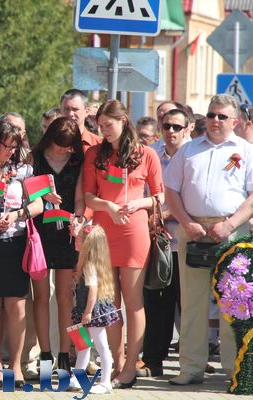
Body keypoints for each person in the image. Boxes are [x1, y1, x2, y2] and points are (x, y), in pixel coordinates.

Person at [164, 94, 253, 385]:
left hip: (232, 232)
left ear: (235, 121)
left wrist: (229, 224)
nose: (215, 120)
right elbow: (171, 190)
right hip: (193, 231)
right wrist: (186, 222)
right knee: (192, 303)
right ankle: (191, 368)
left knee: (232, 302)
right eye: (211, 114)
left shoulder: (246, 151)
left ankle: (234, 369)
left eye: (222, 116)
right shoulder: (188, 150)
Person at [82, 99, 164, 389]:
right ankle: (115, 365)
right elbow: (89, 196)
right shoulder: (95, 153)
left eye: (108, 125)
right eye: (100, 126)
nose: (104, 131)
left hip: (134, 232)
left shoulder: (147, 154)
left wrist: (138, 203)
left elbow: (159, 196)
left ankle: (130, 366)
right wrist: (108, 205)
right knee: (108, 303)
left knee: (133, 301)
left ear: (123, 121)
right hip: (103, 232)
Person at [0, 120, 43, 388]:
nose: (10, 151)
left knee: (16, 305)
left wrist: (17, 214)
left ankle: (15, 365)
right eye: (6, 146)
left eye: (14, 147)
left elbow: (39, 204)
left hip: (16, 242)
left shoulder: (25, 169)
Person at [29, 117, 86, 374]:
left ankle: (64, 353)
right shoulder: (35, 158)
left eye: (69, 146)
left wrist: (79, 219)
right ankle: (45, 353)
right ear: (50, 138)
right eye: (60, 144)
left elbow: (80, 198)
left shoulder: (77, 161)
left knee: (65, 296)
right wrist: (42, 195)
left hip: (68, 234)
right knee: (41, 296)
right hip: (39, 234)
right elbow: (25, 192)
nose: (64, 150)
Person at [139, 108, 189, 378]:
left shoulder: (193, 154)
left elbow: (192, 197)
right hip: (155, 242)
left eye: (177, 127)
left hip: (186, 239)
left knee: (188, 304)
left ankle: (191, 360)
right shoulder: (150, 154)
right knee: (156, 301)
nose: (171, 131)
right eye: (167, 125)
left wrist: (163, 214)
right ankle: (153, 360)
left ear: (187, 129)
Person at [68, 225, 119, 394]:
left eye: (78, 239)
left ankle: (105, 382)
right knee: (82, 345)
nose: (75, 241)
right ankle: (78, 377)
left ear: (87, 245)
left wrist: (88, 312)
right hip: (82, 310)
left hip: (91, 312)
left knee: (101, 345)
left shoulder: (89, 265)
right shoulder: (85, 261)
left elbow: (93, 291)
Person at [60, 89, 102, 154]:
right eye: (66, 109)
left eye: (75, 109)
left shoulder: (99, 144)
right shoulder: (52, 144)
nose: (70, 114)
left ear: (87, 111)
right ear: (60, 111)